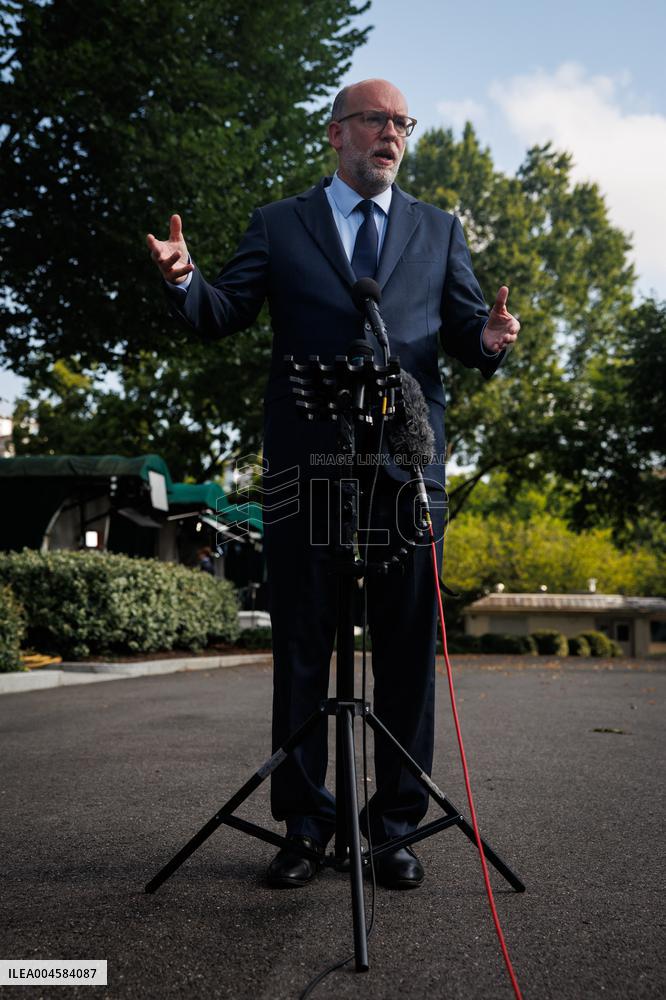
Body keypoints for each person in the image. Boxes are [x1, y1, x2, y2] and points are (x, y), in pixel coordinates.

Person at [147, 79, 520, 890]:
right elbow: (223, 312)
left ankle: (392, 829)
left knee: (405, 652)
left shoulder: (438, 228)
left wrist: (489, 339)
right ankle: (306, 828)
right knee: (304, 649)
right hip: (304, 469)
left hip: (403, 473)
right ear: (337, 134)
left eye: (402, 124)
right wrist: (185, 279)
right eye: (376, 121)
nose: (392, 134)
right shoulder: (280, 225)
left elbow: (463, 332)